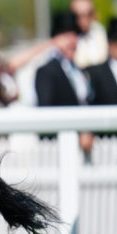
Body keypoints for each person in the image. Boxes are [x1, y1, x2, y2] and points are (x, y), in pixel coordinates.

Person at [35, 11, 94, 162]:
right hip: (58, 150)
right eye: (66, 36)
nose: (72, 41)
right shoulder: (46, 71)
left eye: (75, 36)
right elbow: (46, 113)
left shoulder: (79, 71)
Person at [70, 0, 108, 69]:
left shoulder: (100, 32)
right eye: (78, 15)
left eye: (89, 14)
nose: (84, 19)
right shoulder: (66, 37)